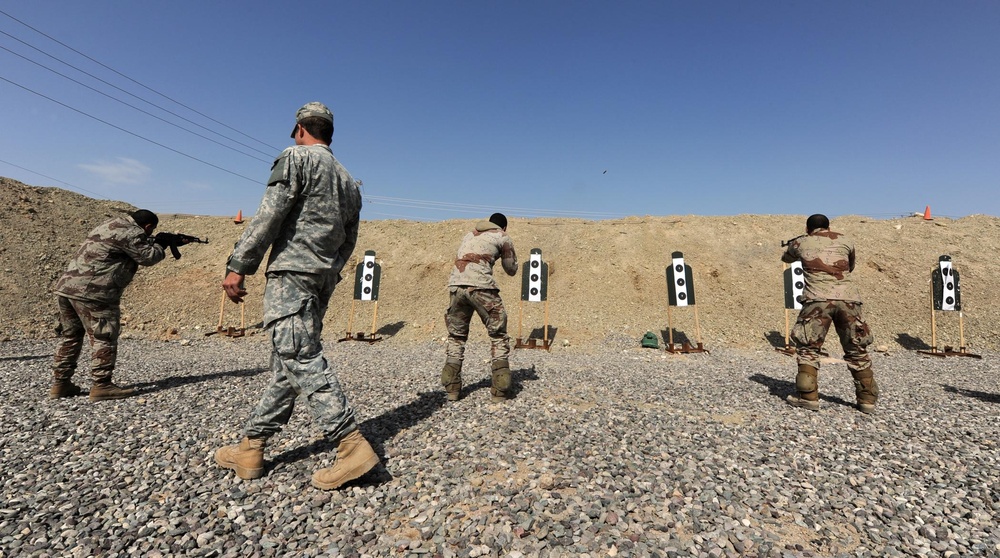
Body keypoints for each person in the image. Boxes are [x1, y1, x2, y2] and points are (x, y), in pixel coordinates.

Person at [214, 102, 378, 490]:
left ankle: (350, 444)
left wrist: (240, 263)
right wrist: (329, 271)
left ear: (300, 129)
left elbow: (270, 214)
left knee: (299, 357)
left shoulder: (296, 157)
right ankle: (252, 446)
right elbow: (349, 240)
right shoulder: (349, 181)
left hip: (291, 275)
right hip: (322, 278)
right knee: (287, 362)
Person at [50, 209, 166, 401]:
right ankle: (102, 386)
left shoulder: (109, 225)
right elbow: (148, 257)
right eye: (150, 231)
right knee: (104, 336)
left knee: (71, 336)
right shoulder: (132, 232)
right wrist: (162, 244)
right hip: (94, 292)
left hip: (67, 288)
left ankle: (60, 384)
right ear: (148, 226)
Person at [781, 214, 879, 414]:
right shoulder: (846, 240)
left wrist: (800, 244)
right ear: (828, 226)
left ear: (808, 228)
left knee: (808, 348)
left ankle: (808, 397)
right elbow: (850, 266)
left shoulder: (800, 242)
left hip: (816, 300)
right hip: (848, 300)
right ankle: (867, 400)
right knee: (856, 349)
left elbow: (787, 258)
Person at [440, 213, 518, 402]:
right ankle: (500, 390)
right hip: (482, 287)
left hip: (456, 286)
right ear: (504, 227)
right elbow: (511, 269)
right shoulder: (502, 236)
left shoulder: (469, 235)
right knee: (498, 335)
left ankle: (452, 389)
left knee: (456, 336)